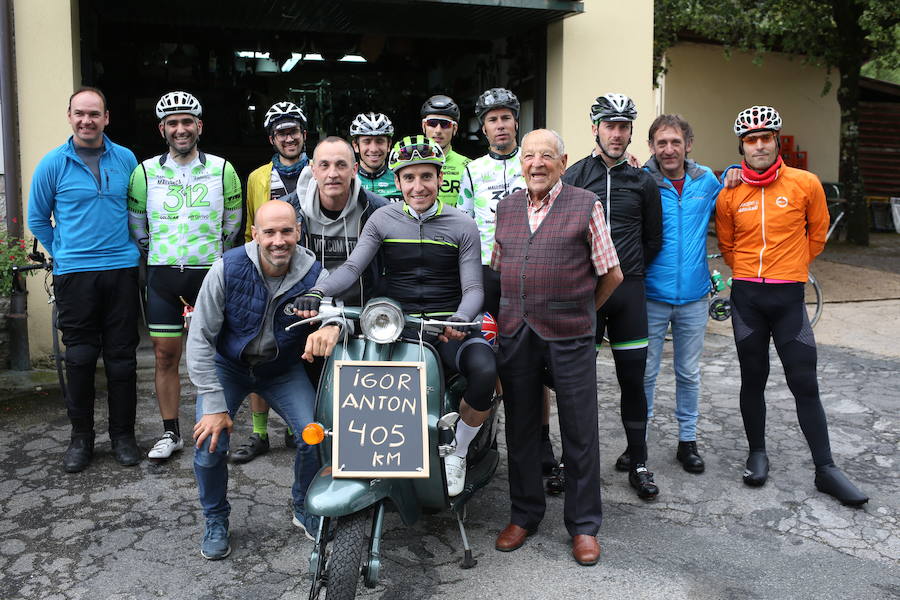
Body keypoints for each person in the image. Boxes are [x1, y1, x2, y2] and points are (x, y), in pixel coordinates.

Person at [295, 135, 496, 497]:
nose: (418, 187)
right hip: (395, 327)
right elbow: (353, 266)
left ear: (439, 178)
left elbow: (474, 289)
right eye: (409, 178)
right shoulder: (382, 218)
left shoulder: (462, 223)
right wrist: (318, 291)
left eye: (426, 177)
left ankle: (459, 451)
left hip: (447, 326)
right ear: (398, 180)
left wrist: (459, 320)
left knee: (485, 371)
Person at [716, 105, 868, 507]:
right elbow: (727, 245)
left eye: (766, 137)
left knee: (805, 383)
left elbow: (817, 234)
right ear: (742, 147)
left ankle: (826, 469)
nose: (760, 145)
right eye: (752, 140)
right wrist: (749, 271)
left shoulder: (805, 183)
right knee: (753, 380)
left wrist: (794, 266)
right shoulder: (730, 192)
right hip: (748, 298)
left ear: (776, 141)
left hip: (788, 299)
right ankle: (757, 453)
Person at [188, 200, 347, 560]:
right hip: (229, 365)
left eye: (287, 231)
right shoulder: (227, 268)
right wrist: (213, 405)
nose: (279, 240)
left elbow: (339, 314)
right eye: (270, 232)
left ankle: (303, 506)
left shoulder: (316, 274)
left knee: (313, 433)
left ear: (299, 233)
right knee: (209, 443)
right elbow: (199, 339)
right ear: (255, 234)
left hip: (281, 370)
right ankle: (216, 518)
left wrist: (334, 327)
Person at [492, 129, 622, 566]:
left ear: (563, 162)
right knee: (522, 428)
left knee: (580, 432)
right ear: (521, 163)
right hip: (516, 333)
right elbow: (499, 267)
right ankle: (524, 515)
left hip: (570, 333)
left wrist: (583, 310)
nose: (537, 164)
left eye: (547, 156)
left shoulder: (586, 204)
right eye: (529, 156)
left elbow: (612, 274)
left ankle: (584, 526)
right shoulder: (507, 208)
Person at [28, 87, 142, 473]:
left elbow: (138, 208)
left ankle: (123, 436)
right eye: (79, 113)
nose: (86, 120)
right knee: (78, 358)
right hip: (74, 274)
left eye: (94, 114)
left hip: (122, 270)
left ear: (106, 118)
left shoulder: (126, 158)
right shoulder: (52, 164)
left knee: (122, 360)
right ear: (69, 116)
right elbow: (37, 218)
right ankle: (81, 439)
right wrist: (62, 252)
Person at [128, 91, 242, 461]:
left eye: (187, 122)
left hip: (209, 273)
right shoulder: (144, 172)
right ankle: (171, 432)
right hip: (163, 274)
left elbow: (232, 226)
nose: (181, 129)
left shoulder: (223, 169)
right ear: (162, 129)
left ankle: (221, 424)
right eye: (173, 123)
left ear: (199, 126)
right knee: (165, 356)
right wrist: (161, 256)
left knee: (221, 353)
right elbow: (138, 228)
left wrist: (210, 257)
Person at [561, 93, 663, 500]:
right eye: (610, 126)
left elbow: (653, 238)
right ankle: (573, 462)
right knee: (577, 383)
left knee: (632, 381)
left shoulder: (643, 181)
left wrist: (631, 270)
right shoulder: (573, 176)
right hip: (586, 293)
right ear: (595, 129)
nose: (617, 134)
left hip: (630, 292)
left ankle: (637, 460)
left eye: (624, 127)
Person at [458, 87, 558, 475]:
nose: (500, 126)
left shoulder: (536, 161)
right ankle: (491, 435)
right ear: (483, 128)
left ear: (517, 121)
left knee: (537, 361)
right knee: (493, 354)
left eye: (505, 118)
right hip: (488, 273)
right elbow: (464, 226)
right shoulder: (472, 170)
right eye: (492, 120)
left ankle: (543, 440)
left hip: (532, 273)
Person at [231, 101, 311, 463]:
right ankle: (260, 432)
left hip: (310, 269)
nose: (289, 137)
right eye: (281, 132)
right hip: (270, 269)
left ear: (304, 134)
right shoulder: (258, 178)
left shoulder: (318, 169)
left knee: (302, 351)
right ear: (272, 138)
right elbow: (252, 224)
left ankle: (300, 427)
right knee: (260, 350)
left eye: (294, 130)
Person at [642, 114, 722, 474]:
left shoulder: (706, 180)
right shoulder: (642, 180)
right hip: (651, 294)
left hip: (693, 296)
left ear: (688, 144)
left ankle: (687, 441)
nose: (669, 149)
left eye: (675, 142)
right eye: (662, 143)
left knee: (688, 372)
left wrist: (736, 167)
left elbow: (738, 196)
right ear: (652, 147)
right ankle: (636, 443)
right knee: (645, 372)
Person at [420, 94, 471, 207]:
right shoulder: (409, 162)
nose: (438, 130)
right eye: (432, 123)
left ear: (455, 128)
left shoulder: (470, 166)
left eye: (445, 124)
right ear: (424, 126)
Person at [351, 112, 401, 201]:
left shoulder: (401, 180)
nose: (373, 149)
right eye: (367, 141)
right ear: (355, 146)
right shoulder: (347, 181)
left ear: (389, 145)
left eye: (380, 141)